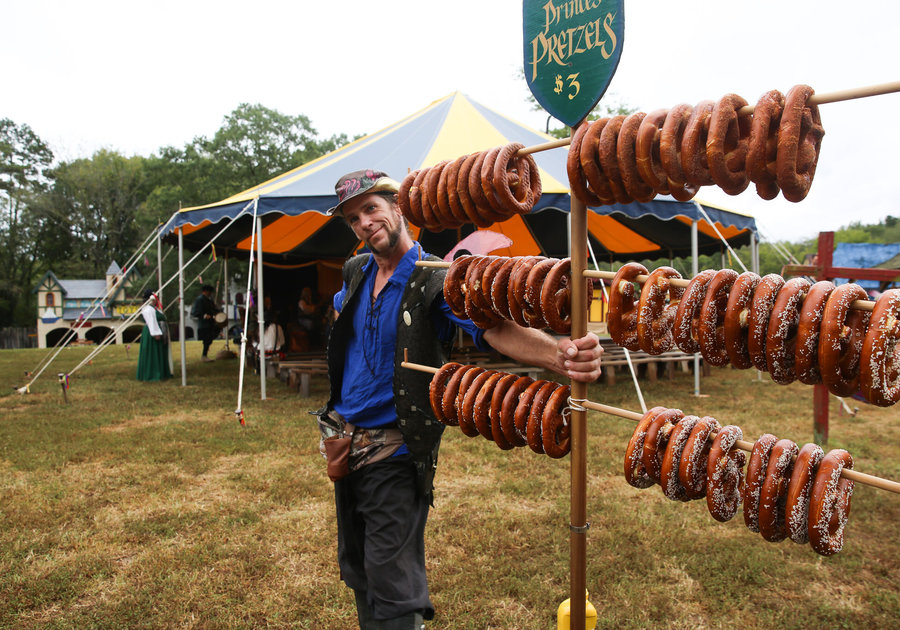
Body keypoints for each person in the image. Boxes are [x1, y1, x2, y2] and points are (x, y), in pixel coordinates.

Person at [315, 169, 603, 629]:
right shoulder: (355, 271)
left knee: (392, 580)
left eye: (371, 209)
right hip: (345, 444)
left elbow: (495, 328)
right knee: (359, 569)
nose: (364, 223)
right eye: (353, 218)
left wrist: (559, 355)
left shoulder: (436, 279)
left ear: (398, 208)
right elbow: (341, 309)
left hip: (396, 449)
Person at [136, 289, 172, 381]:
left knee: (158, 352)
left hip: (158, 329)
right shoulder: (148, 309)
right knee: (152, 353)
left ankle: (161, 372)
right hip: (151, 332)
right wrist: (155, 333)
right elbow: (151, 322)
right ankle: (152, 374)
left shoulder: (153, 309)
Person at [191, 284, 221, 362]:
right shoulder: (199, 299)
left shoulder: (209, 300)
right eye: (209, 291)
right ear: (205, 291)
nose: (210, 293)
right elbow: (195, 312)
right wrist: (204, 316)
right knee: (207, 340)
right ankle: (204, 356)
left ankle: (205, 355)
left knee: (210, 339)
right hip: (204, 324)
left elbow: (213, 309)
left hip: (211, 323)